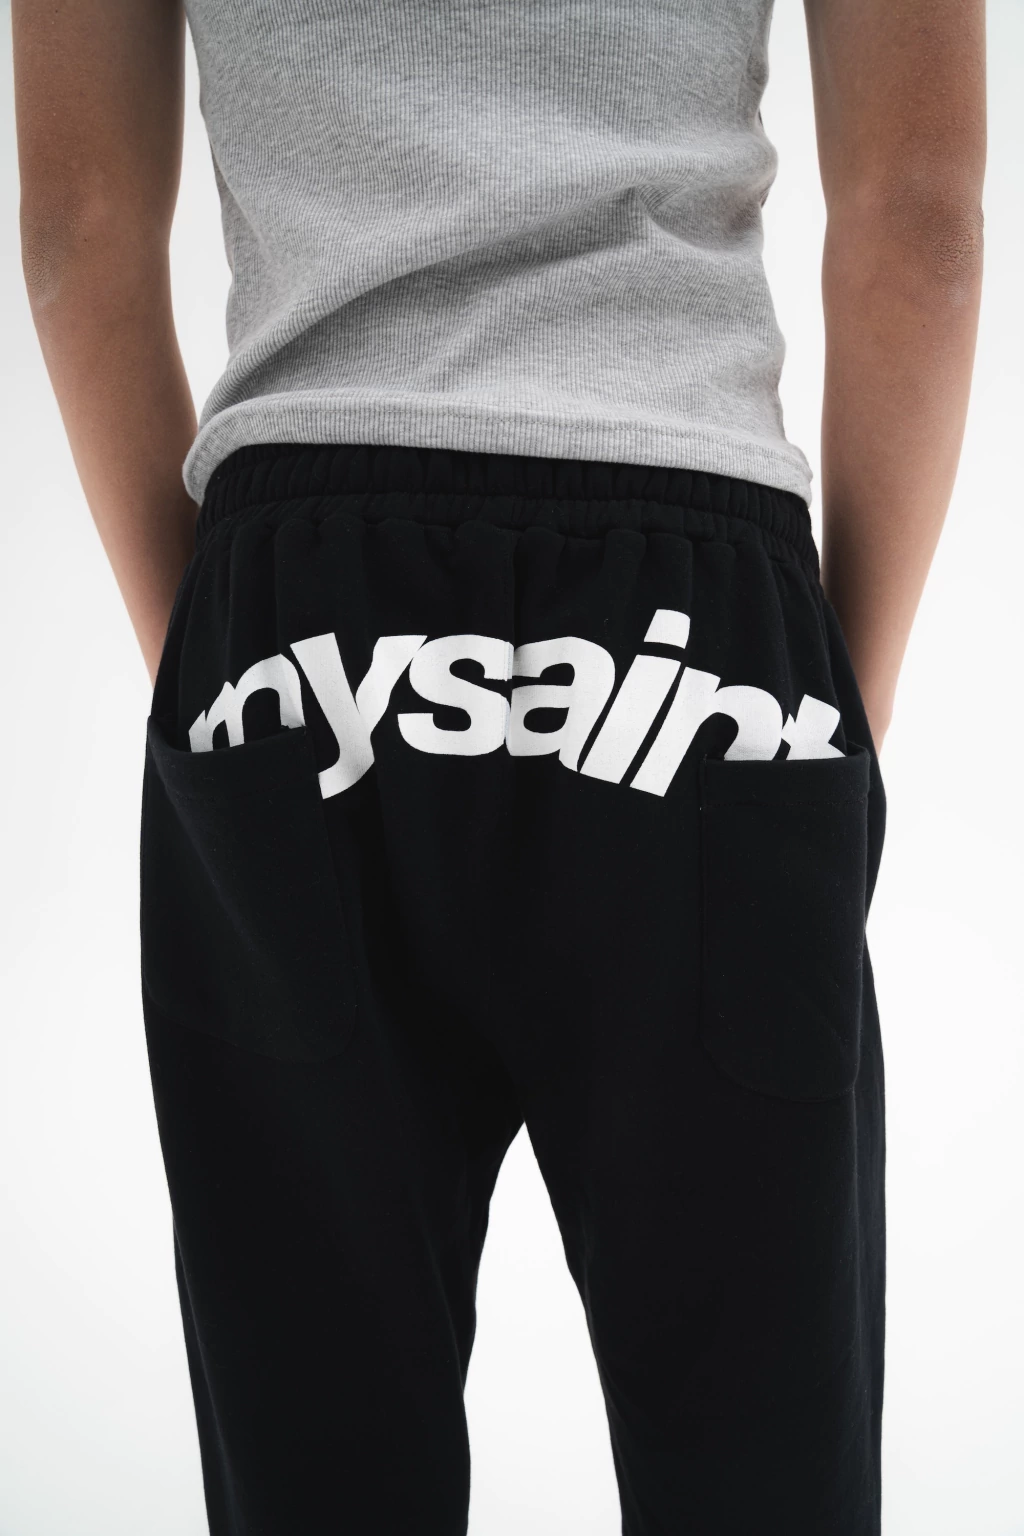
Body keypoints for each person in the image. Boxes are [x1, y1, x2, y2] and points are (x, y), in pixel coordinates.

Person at [12, 0, 985, 1531]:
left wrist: (219, 668)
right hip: (691, 601)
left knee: (320, 1480)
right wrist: (824, 729)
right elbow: (918, 215)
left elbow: (78, 226)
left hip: (301, 594)